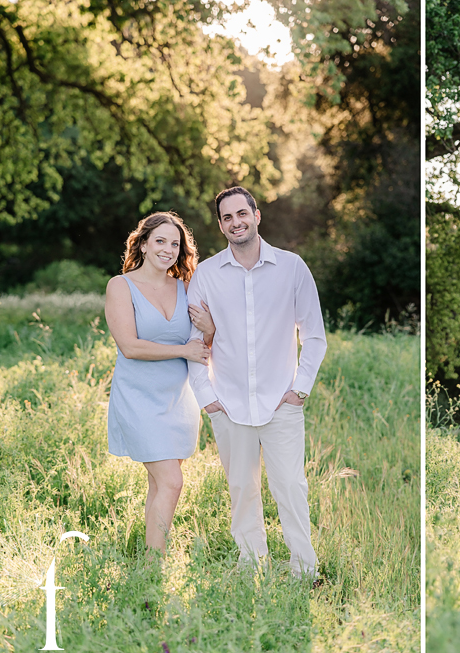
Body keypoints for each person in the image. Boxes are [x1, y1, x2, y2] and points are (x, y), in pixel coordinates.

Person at [186, 186, 327, 578]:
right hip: (228, 403)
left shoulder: (292, 268)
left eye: (241, 214)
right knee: (241, 490)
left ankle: (304, 570)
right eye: (227, 217)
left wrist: (299, 390)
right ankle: (251, 568)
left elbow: (314, 336)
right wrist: (207, 398)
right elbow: (194, 343)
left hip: (281, 401)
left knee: (291, 487)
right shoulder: (206, 275)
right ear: (220, 225)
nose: (236, 222)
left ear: (256, 215)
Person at [105, 212, 214, 553]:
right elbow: (130, 346)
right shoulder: (120, 286)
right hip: (138, 398)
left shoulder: (186, 287)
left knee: (159, 485)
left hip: (178, 400)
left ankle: (148, 566)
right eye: (160, 241)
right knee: (172, 482)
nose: (168, 249)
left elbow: (203, 343)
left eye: (175, 244)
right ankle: (157, 565)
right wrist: (182, 350)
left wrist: (210, 328)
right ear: (143, 244)